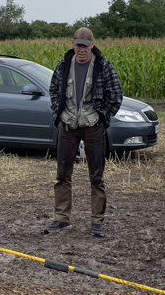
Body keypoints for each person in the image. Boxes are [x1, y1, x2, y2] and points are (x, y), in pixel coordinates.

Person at [45, 27, 123, 237]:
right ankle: (61, 219)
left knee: (96, 176)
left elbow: (116, 95)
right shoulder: (63, 65)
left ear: (92, 45)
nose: (81, 49)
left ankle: (97, 221)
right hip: (67, 126)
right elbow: (53, 91)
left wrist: (102, 117)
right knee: (62, 175)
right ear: (72, 44)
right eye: (78, 45)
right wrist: (60, 113)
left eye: (85, 46)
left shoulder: (103, 66)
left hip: (93, 127)